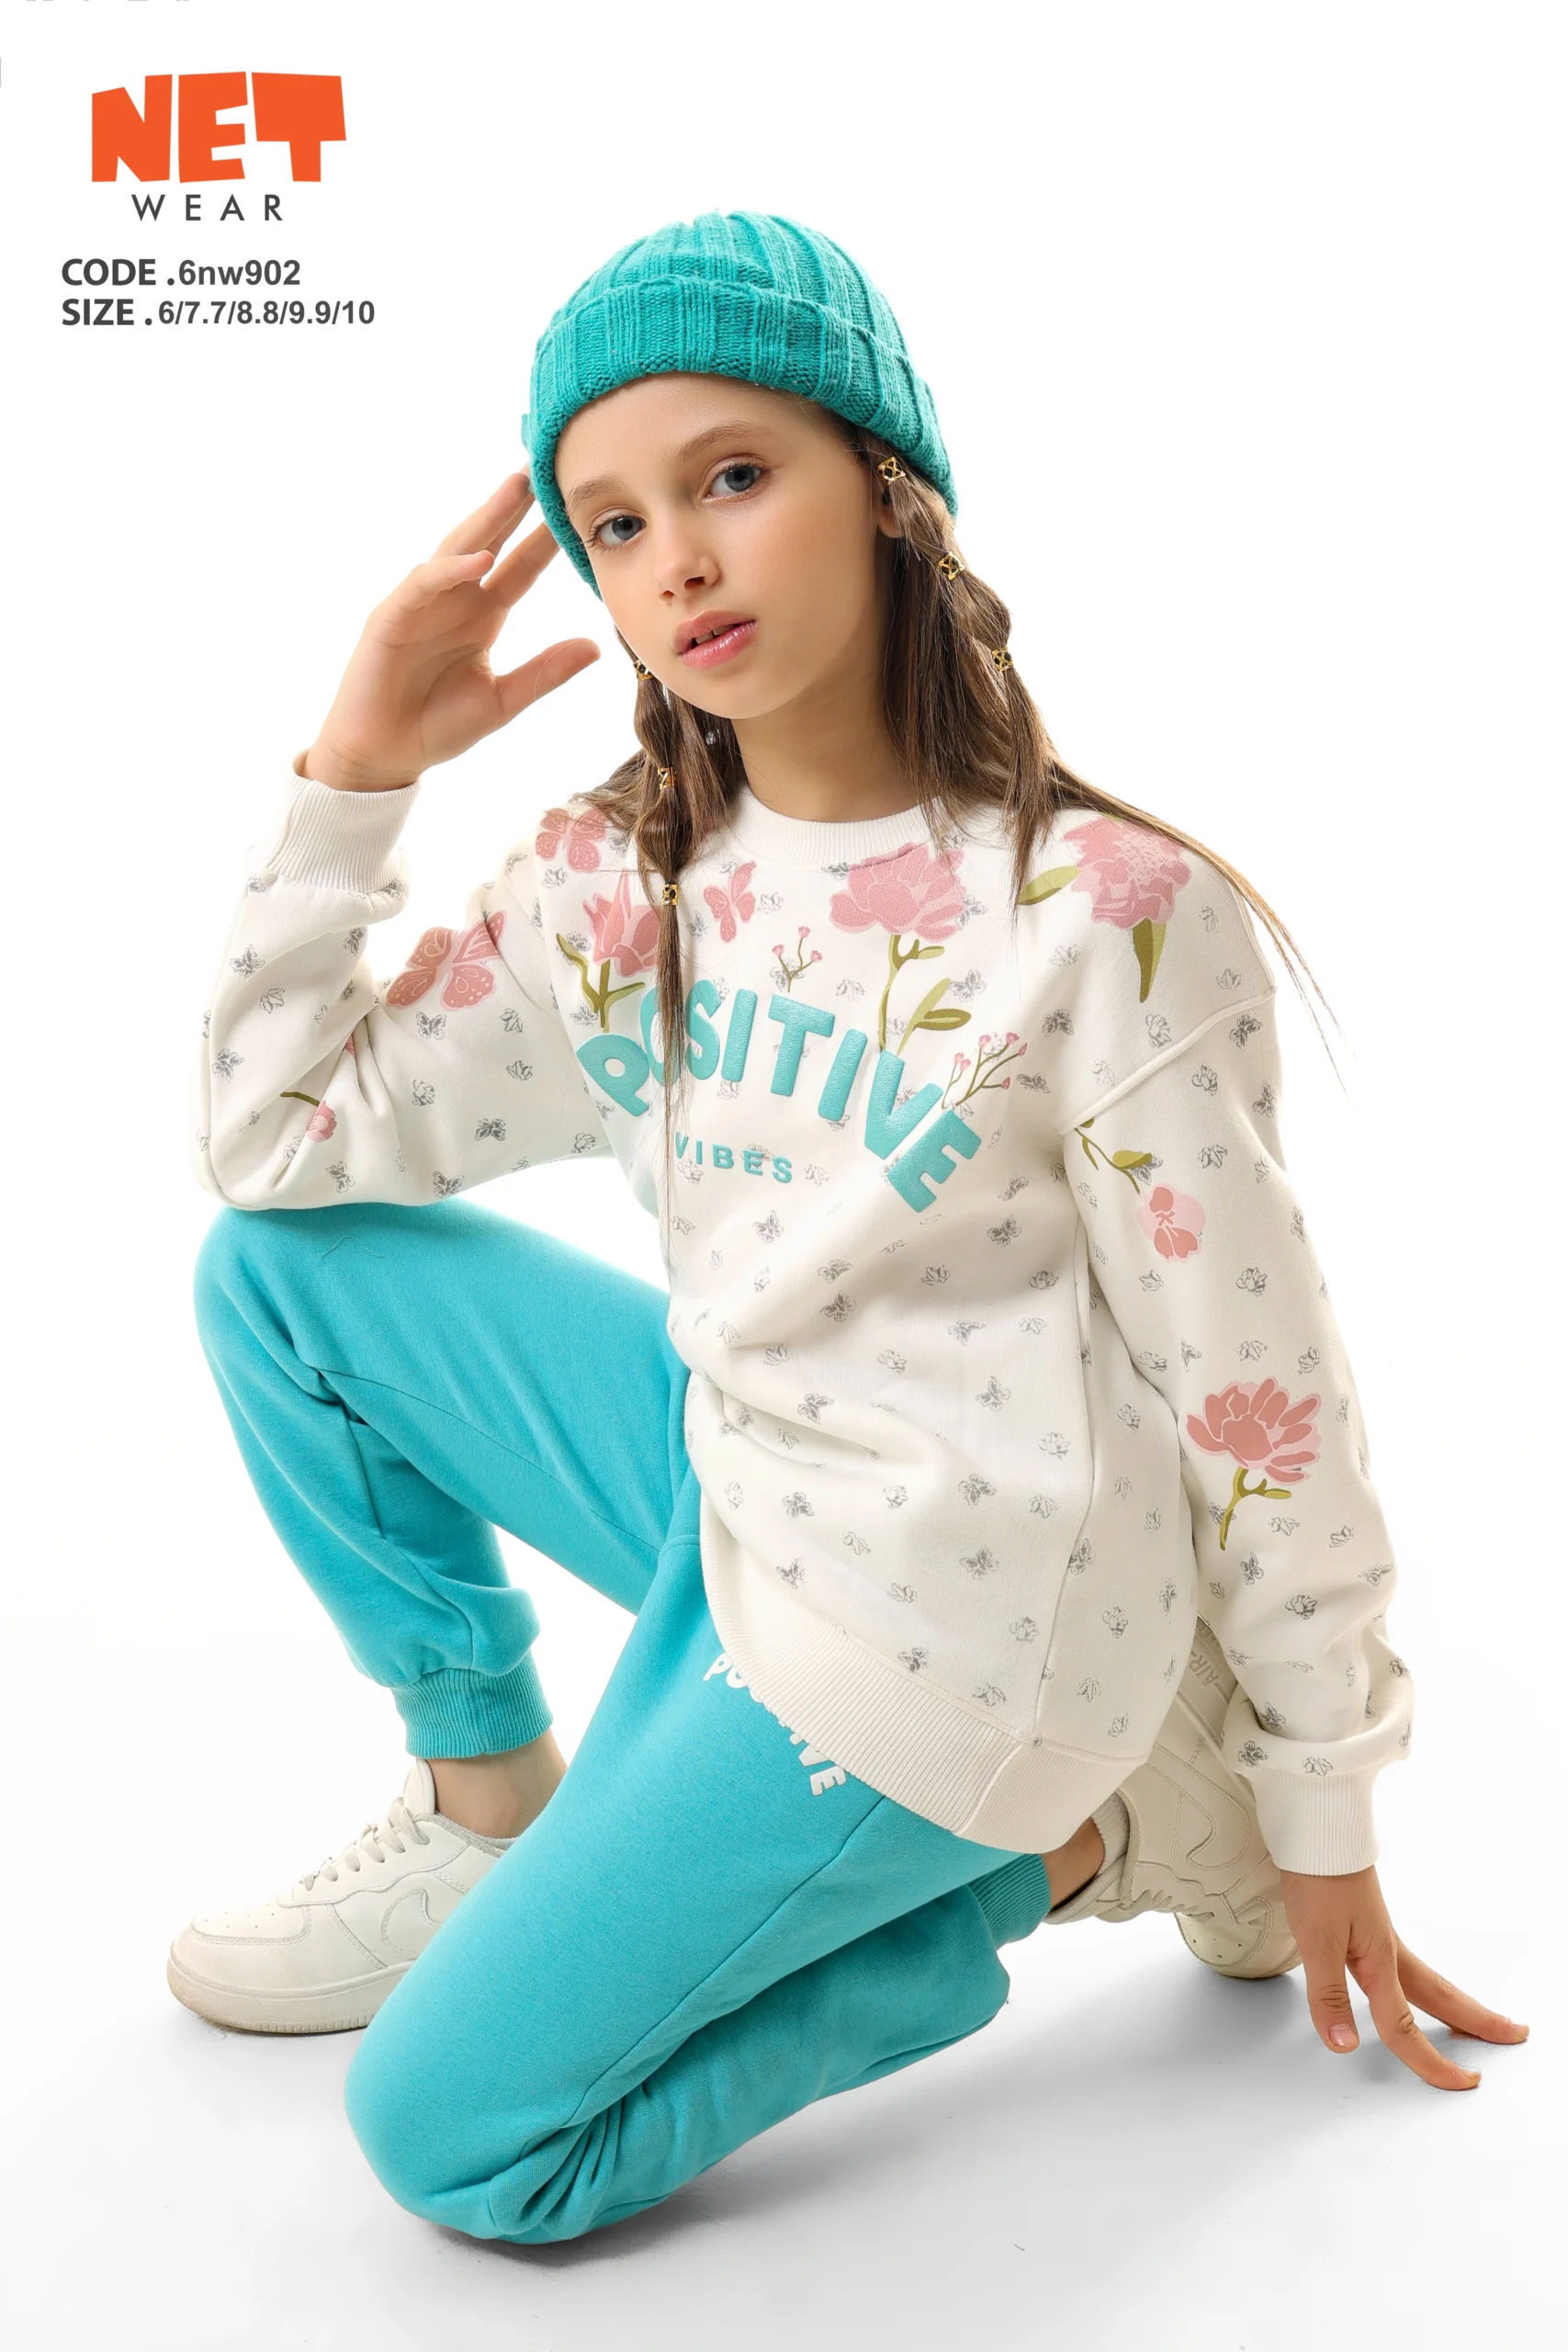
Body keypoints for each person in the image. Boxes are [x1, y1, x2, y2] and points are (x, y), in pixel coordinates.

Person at [174, 211, 1526, 2244]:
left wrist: (1320, 1796)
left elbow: (1257, 1387)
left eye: (731, 475)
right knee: (282, 1279)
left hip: (944, 1634)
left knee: (452, 2139)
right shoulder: (613, 884)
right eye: (614, 523)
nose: (676, 560)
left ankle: (1083, 1843)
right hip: (739, 1477)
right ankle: (487, 1803)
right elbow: (271, 1142)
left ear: (888, 492)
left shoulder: (1099, 916)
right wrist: (355, 770)